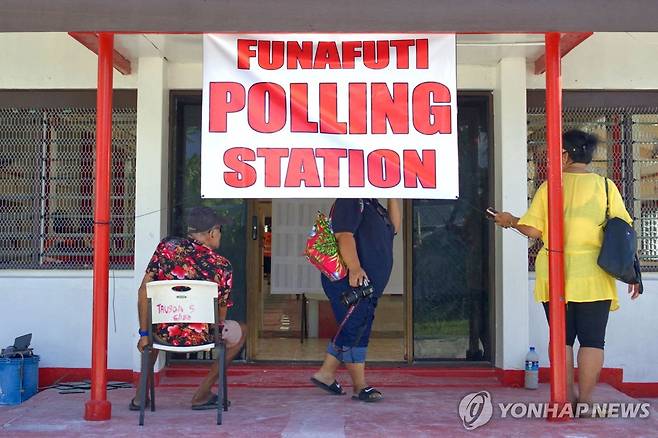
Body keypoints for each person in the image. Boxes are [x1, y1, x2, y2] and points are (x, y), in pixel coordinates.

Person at [493, 129, 641, 406]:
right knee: (593, 341)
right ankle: (586, 402)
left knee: (562, 339)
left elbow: (534, 230)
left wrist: (510, 220)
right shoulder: (607, 187)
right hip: (596, 275)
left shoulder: (551, 186)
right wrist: (633, 272)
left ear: (565, 154)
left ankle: (565, 398)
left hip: (556, 274)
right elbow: (624, 231)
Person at [130, 206, 247, 411]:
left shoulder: (166, 247)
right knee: (242, 330)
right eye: (220, 230)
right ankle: (202, 395)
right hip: (202, 337)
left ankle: (140, 397)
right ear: (212, 233)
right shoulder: (222, 266)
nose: (220, 235)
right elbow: (220, 316)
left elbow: (143, 290)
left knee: (156, 325)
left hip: (162, 334)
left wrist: (144, 333)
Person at [311, 198, 401, 402]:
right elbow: (343, 235)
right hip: (351, 282)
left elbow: (394, 228)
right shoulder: (350, 199)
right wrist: (354, 268)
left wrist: (395, 195)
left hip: (367, 287)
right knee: (356, 331)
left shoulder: (372, 204)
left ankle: (325, 374)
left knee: (353, 328)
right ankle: (360, 386)